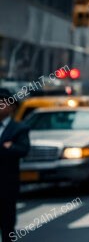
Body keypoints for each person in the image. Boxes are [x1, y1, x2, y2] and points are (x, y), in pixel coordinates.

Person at [0, 89, 30, 242]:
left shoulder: (19, 128)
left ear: (12, 107)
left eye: (2, 103)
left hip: (7, 182)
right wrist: (5, 146)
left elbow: (23, 150)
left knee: (7, 221)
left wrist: (11, 147)